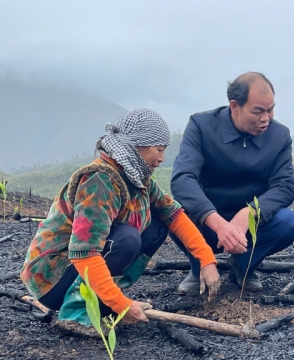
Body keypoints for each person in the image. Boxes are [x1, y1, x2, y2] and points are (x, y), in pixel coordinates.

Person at [20, 109, 220, 334]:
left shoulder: (136, 178)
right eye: (159, 149)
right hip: (51, 279)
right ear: (137, 146)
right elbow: (85, 252)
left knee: (156, 227)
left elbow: (173, 214)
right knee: (126, 238)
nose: (162, 158)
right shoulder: (99, 182)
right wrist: (122, 305)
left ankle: (104, 302)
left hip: (76, 273)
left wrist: (206, 259)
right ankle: (77, 314)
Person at [171, 72, 294, 293]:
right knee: (175, 214)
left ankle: (244, 266)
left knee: (289, 222)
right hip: (207, 220)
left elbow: (285, 185)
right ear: (234, 106)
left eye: (270, 109)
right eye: (258, 111)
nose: (266, 118)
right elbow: (183, 179)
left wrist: (249, 213)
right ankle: (199, 266)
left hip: (253, 225)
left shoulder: (279, 135)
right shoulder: (201, 126)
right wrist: (216, 221)